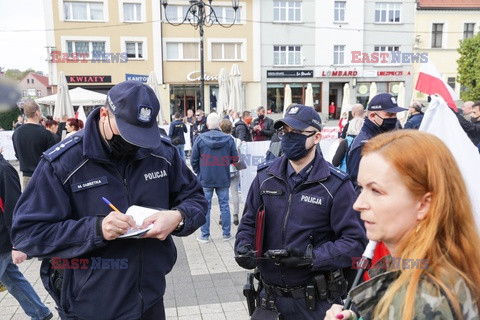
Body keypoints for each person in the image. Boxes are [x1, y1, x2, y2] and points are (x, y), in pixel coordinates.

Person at [11, 81, 208, 320]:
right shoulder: (64, 162)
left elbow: (196, 199)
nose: (135, 143)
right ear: (104, 113)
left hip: (150, 299)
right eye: (127, 132)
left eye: (141, 135)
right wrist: (96, 229)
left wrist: (178, 218)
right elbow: (26, 234)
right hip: (90, 307)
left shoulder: (159, 152)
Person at [325, 130, 480, 320]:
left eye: (376, 191)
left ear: (423, 204)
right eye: (361, 188)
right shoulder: (418, 272)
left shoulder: (425, 298)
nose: (358, 204)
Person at [235, 104, 367, 320]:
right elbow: (249, 222)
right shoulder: (265, 176)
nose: (288, 137)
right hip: (269, 301)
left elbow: (355, 243)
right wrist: (243, 246)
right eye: (284, 132)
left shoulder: (336, 185)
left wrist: (312, 258)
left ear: (316, 137)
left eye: (296, 133)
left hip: (315, 303)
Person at [0, 147, 53, 320]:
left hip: (2, 241)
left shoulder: (4, 170)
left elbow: (15, 209)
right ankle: (40, 313)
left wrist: (18, 243)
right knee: (13, 280)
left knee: (12, 280)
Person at [191, 113, 238, 243]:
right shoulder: (228, 139)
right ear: (219, 125)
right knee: (224, 206)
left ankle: (204, 235)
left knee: (206, 206)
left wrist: (199, 173)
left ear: (207, 125)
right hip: (222, 177)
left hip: (206, 178)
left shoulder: (200, 139)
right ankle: (226, 234)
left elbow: (193, 160)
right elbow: (235, 159)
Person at [346, 93, 406, 189]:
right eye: (389, 114)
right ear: (373, 115)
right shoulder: (363, 145)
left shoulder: (387, 136)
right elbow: (357, 186)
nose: (393, 118)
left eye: (395, 114)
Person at [12, 100, 56, 189]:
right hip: (44, 175)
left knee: (29, 202)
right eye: (40, 111)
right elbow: (53, 157)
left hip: (26, 176)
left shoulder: (16, 133)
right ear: (36, 113)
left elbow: (17, 155)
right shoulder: (46, 134)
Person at [219, 119, 243, 226]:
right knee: (234, 193)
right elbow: (242, 156)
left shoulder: (218, 140)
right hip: (235, 168)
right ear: (231, 128)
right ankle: (235, 214)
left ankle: (222, 215)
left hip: (223, 169)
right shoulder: (237, 141)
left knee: (223, 195)